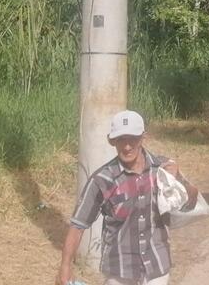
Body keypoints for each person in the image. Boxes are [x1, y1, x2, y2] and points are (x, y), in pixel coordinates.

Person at [56, 110, 198, 285]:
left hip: (157, 267)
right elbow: (78, 225)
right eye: (121, 139)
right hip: (120, 272)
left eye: (132, 139)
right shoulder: (102, 180)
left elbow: (192, 201)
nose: (127, 146)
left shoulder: (163, 169)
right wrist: (65, 266)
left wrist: (179, 182)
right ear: (113, 141)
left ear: (143, 138)